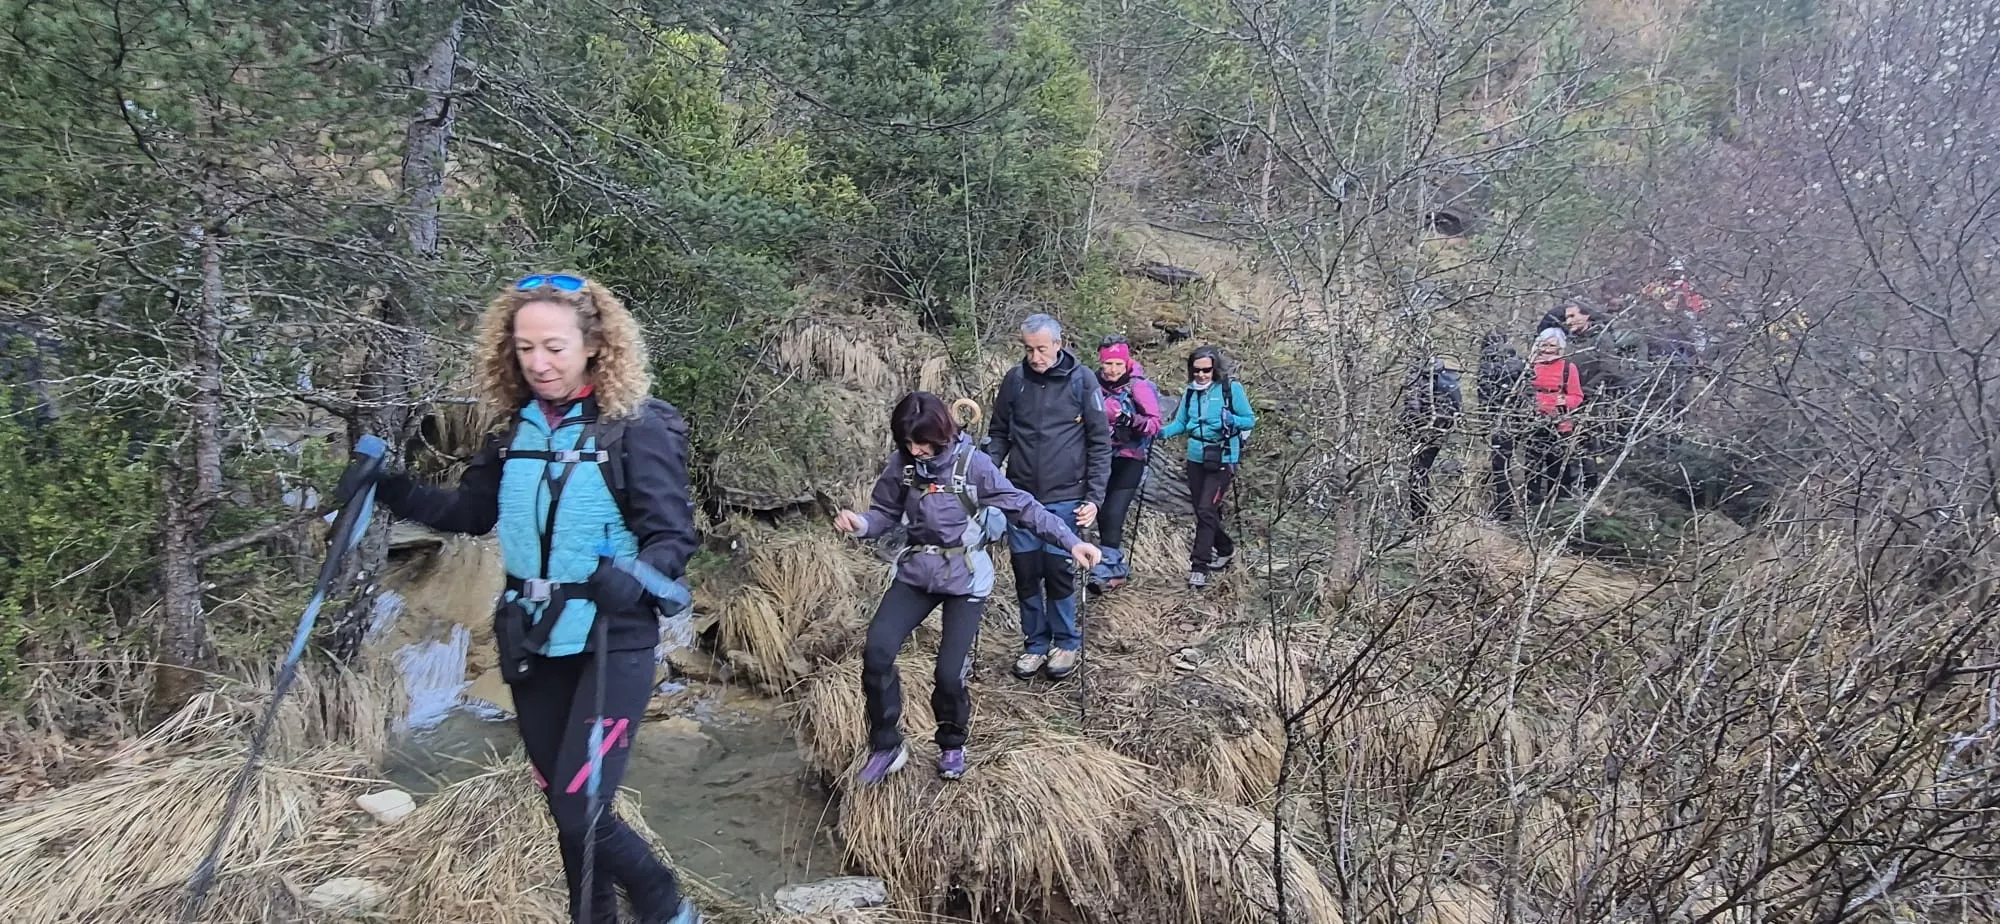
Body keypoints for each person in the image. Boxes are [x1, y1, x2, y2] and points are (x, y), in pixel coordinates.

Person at [371, 273, 701, 924]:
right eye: (524, 349)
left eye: (553, 347)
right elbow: (469, 512)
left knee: (582, 807)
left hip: (613, 639)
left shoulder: (635, 428)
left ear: (595, 345)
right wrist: (390, 489)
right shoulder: (510, 429)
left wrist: (634, 576)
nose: (538, 363)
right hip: (531, 637)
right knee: (563, 807)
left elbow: (674, 536)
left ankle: (665, 903)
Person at [834, 392, 1101, 784]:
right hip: (916, 573)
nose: (916, 450)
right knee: (876, 652)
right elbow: (884, 514)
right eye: (907, 443)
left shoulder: (972, 465)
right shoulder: (903, 465)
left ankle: (952, 743)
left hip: (965, 578)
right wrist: (860, 524)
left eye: (922, 442)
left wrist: (1071, 541)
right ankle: (887, 744)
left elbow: (1022, 506)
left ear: (941, 434)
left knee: (948, 674)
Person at [982, 314, 1112, 681]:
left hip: (1066, 496)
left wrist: (1094, 498)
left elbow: (1100, 443)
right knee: (1026, 573)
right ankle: (1035, 644)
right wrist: (987, 476)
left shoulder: (1082, 380)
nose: (1035, 356)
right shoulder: (1015, 380)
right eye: (1028, 349)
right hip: (1019, 496)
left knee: (1058, 572)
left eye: (1041, 348)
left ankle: (1066, 642)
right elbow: (999, 434)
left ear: (1058, 343)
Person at [1157, 346, 1255, 590]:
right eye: (1196, 370)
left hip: (1222, 456)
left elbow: (1249, 419)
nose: (1201, 375)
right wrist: (1158, 433)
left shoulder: (1230, 389)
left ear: (1215, 368)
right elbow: (1181, 423)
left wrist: (1232, 420)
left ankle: (1199, 567)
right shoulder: (1190, 392)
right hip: (1196, 458)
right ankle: (1225, 548)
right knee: (1204, 511)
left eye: (1206, 370)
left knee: (1205, 508)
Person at [1089, 336, 1162, 590]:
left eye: (1118, 363)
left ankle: (1107, 570)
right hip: (1098, 458)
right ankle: (1111, 567)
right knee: (1095, 511)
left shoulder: (1138, 387)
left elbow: (1154, 424)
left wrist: (1130, 420)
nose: (1112, 370)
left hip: (1130, 459)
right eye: (1108, 364)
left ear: (1127, 361)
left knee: (1112, 513)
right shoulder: (1092, 384)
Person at [1523, 327, 1585, 512]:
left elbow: (1577, 396)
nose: (1547, 349)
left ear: (1560, 348)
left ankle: (1556, 507)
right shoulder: (1530, 364)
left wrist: (1564, 400)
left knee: (1556, 467)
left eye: (1552, 345)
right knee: (1532, 466)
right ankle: (1531, 506)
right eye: (1544, 344)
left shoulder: (1568, 368)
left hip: (1559, 424)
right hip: (1534, 421)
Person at [1399, 352, 1463, 525]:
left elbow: (1412, 409)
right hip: (1443, 428)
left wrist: (1408, 429)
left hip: (1423, 432)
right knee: (1428, 471)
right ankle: (1436, 516)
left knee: (1417, 473)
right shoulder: (1445, 375)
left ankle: (1421, 521)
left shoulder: (1415, 378)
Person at [1475, 330, 1528, 522]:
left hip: (1501, 420)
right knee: (1526, 462)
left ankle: (1504, 509)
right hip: (1522, 419)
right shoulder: (1520, 362)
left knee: (1501, 465)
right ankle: (1528, 505)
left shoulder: (1487, 364)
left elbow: (1484, 395)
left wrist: (1484, 422)